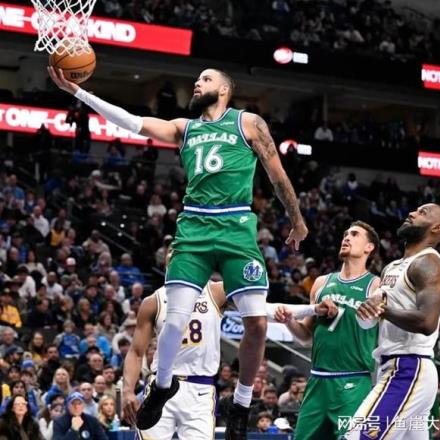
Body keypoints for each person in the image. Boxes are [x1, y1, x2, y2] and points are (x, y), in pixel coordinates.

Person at [49, 66, 308, 437]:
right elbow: (132, 122)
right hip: (194, 230)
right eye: (197, 79)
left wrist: (296, 219)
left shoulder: (248, 123)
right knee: (174, 319)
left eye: (206, 79)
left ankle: (241, 403)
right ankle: (163, 384)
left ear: (224, 89)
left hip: (236, 229)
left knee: (257, 322)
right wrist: (79, 93)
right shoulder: (185, 128)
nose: (197, 83)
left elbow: (277, 175)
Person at [123, 278, 334, 439]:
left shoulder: (215, 291)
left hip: (200, 390)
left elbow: (262, 308)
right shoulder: (153, 301)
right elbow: (136, 352)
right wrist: (128, 390)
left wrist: (312, 309)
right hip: (160, 389)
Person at [348, 203, 440, 440]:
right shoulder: (392, 267)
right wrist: (369, 311)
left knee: (358, 436)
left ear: (437, 228)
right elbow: (377, 316)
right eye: (415, 210)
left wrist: (383, 310)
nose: (412, 213)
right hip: (393, 365)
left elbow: (427, 322)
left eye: (422, 213)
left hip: (408, 367)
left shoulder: (428, 262)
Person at [284, 221, 380, 439]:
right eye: (345, 234)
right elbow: (306, 337)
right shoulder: (321, 283)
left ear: (369, 247)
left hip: (353, 381)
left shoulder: (376, 286)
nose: (346, 237)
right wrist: (289, 321)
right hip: (317, 380)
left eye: (354, 234)